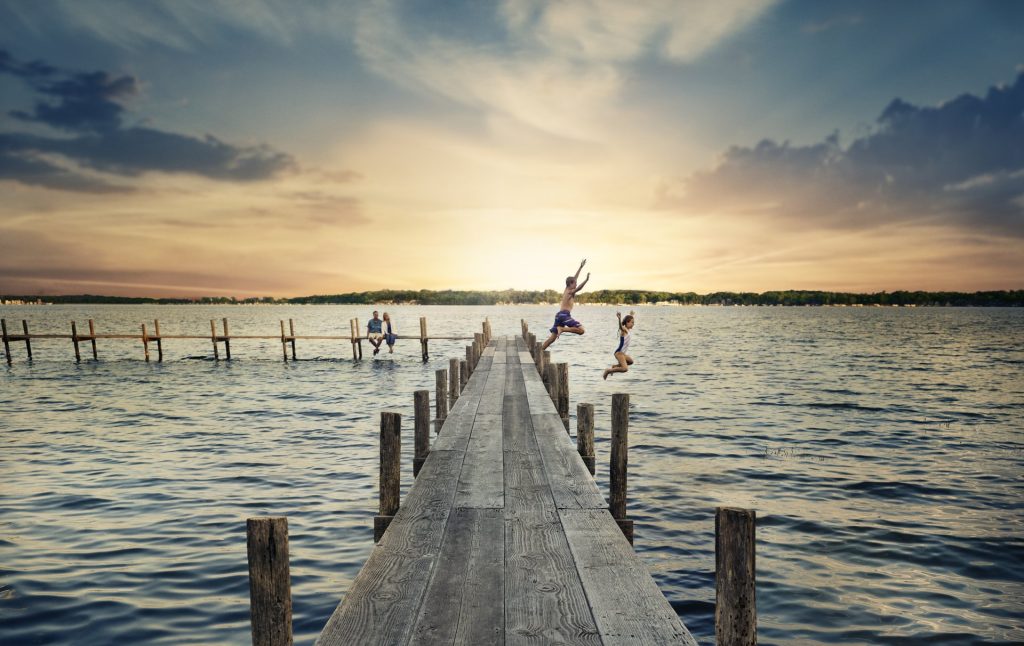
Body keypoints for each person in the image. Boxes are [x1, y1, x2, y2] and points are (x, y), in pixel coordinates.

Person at [541, 258, 590, 350]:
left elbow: (574, 278)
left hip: (559, 315)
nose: (576, 284)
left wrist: (581, 267)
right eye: (575, 283)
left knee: (552, 339)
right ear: (571, 284)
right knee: (581, 330)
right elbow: (579, 288)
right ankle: (562, 329)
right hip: (564, 315)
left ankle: (539, 351)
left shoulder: (566, 289)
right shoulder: (570, 292)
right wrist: (586, 280)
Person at [602, 311, 635, 380]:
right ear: (627, 323)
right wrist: (619, 319)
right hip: (619, 353)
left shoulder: (628, 330)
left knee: (630, 361)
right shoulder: (624, 330)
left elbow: (628, 319)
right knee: (625, 369)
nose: (633, 324)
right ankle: (608, 371)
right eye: (632, 322)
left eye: (633, 322)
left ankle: (615, 366)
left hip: (623, 354)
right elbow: (620, 326)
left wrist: (631, 315)